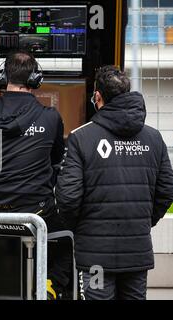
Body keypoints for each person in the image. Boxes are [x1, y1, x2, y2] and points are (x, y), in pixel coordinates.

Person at [55, 65, 173, 300]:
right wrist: (142, 222)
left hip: (95, 257)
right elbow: (166, 190)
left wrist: (83, 228)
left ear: (97, 96)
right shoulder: (153, 138)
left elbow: (67, 197)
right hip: (137, 252)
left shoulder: (81, 137)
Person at [0, 50, 71, 299]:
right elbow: (56, 160)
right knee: (71, 233)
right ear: (36, 80)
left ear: (3, 78)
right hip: (37, 214)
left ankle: (1, 287)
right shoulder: (51, 117)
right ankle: (49, 285)